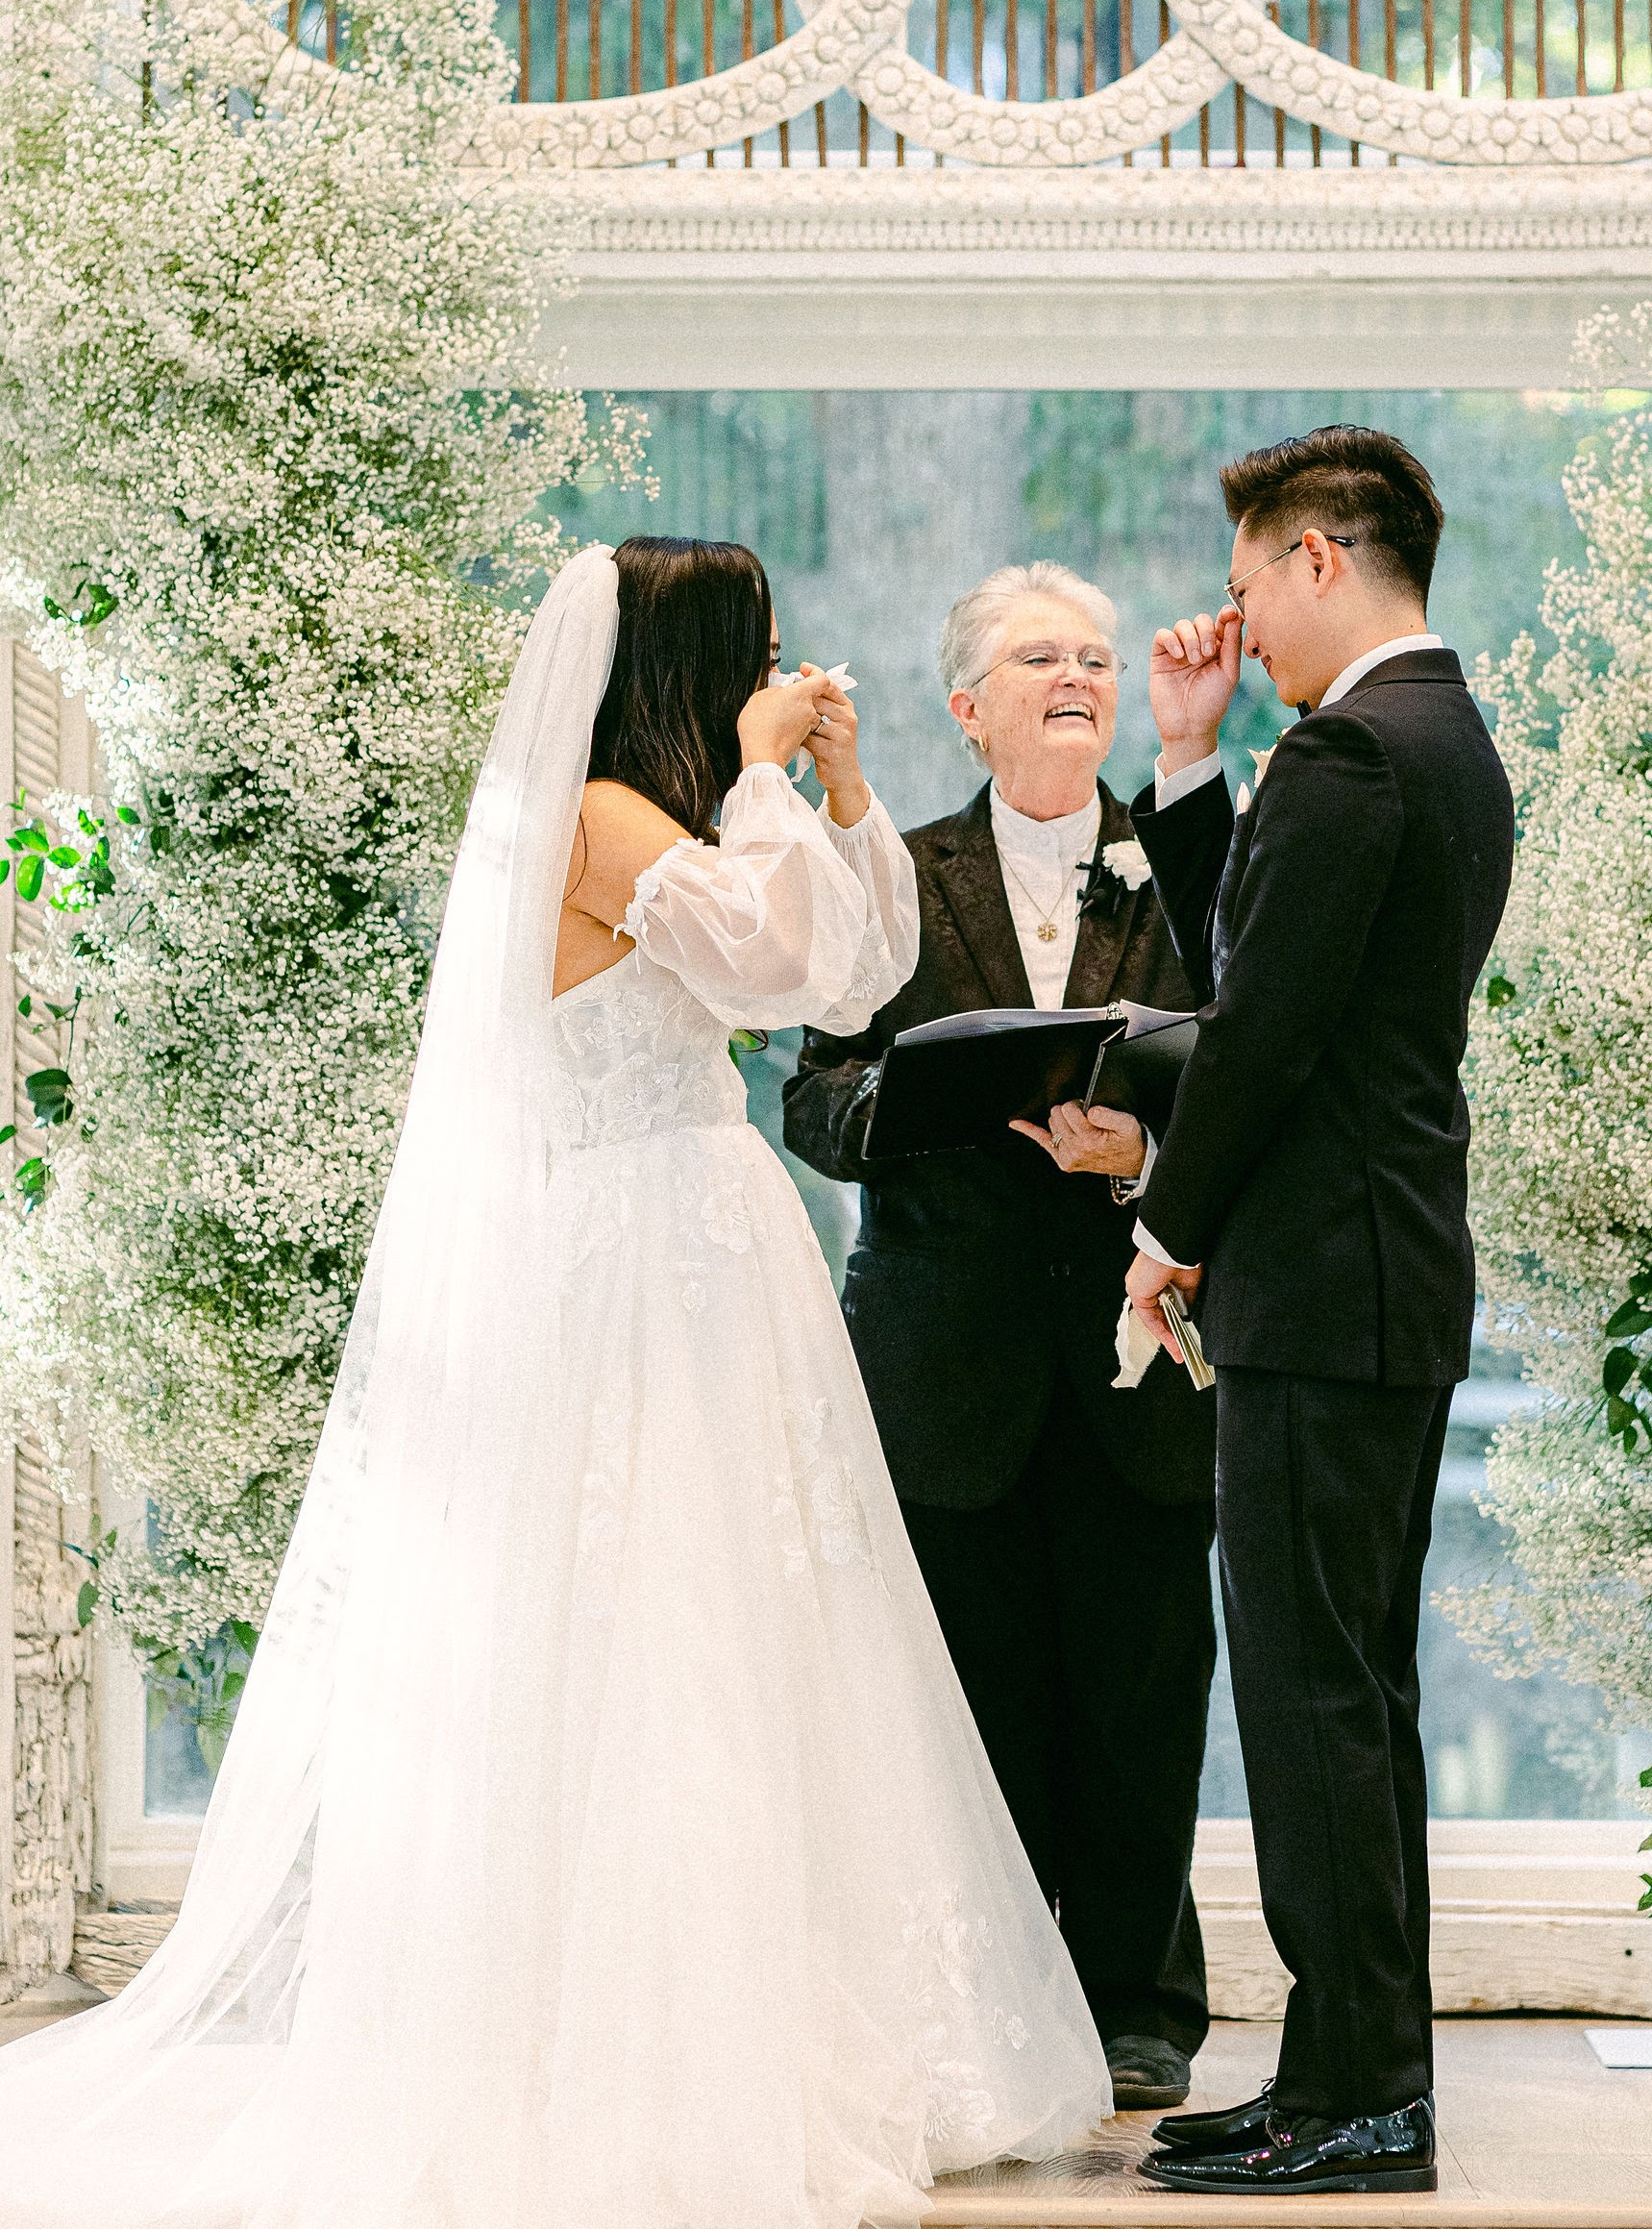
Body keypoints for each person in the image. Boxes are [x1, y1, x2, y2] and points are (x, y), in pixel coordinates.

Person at [0, 537, 1111, 2229]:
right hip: (635, 1253)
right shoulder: (600, 819)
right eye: (756, 648)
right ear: (685, 668)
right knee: (655, 1627)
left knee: (772, 1620)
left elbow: (857, 974)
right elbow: (757, 964)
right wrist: (756, 775)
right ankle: (650, 2042)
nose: (787, 664)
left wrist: (845, 783)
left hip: (714, 1249)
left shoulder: (683, 819)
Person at [1118, 430, 1515, 2197]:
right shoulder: (1434, 731)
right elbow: (1271, 968)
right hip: (1376, 1284)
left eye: (1244, 580)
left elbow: (1262, 1035)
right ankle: (1346, 2082)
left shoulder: (1357, 745)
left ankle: (1356, 2101)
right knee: (1347, 1700)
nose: (1231, 620)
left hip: (1321, 1293)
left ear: (1317, 560)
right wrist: (1195, 766)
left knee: (1309, 1706)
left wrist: (1164, 1227)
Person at [783, 561, 1218, 2116]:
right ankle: (976, 2005)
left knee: (1142, 1687)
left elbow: (1249, 1080)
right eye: (1040, 656)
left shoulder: (1191, 869)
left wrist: (1145, 1153)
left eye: (1096, 658)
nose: (1078, 676)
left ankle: (1140, 2009)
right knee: (968, 1705)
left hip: (1139, 1346)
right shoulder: (889, 874)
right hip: (942, 1358)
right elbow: (812, 1097)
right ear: (965, 705)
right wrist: (916, 1104)